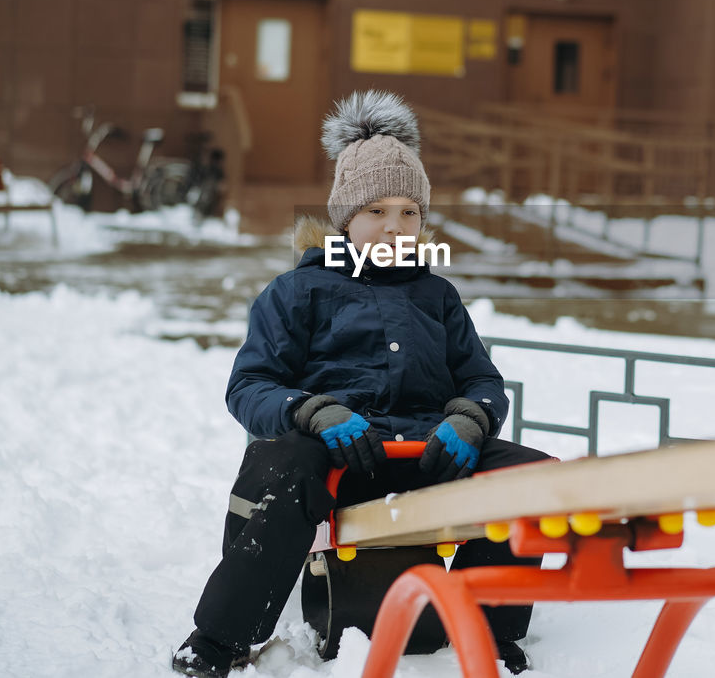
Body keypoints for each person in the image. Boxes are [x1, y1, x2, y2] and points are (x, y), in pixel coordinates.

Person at [173, 90, 551, 677]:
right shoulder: (299, 292)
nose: (393, 226)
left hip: (427, 456)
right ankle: (221, 638)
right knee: (284, 463)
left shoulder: (438, 298)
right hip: (334, 461)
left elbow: (480, 377)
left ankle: (486, 623)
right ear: (345, 218)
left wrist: (469, 419)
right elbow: (250, 385)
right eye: (376, 211)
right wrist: (315, 413)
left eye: (409, 212)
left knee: (530, 474)